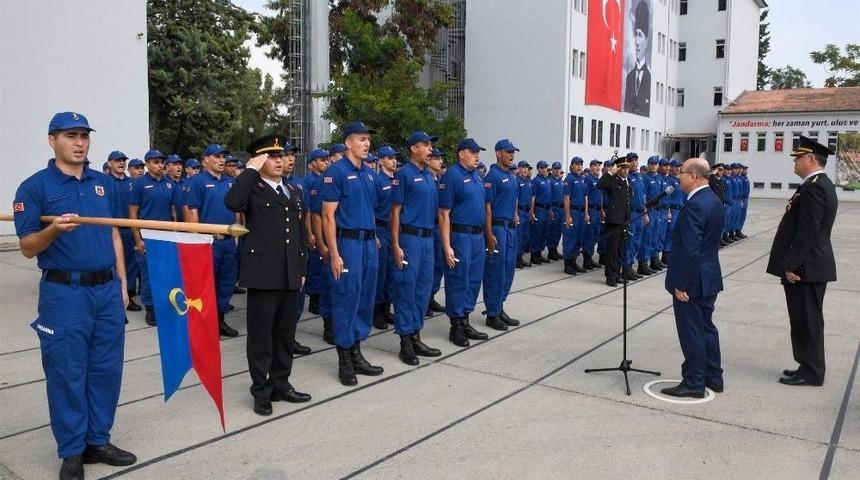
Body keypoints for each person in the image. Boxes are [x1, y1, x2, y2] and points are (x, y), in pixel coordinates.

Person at [13, 112, 136, 479]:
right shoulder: (35, 187)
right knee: (66, 373)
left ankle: (97, 440)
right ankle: (71, 450)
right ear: (53, 140)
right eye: (71, 135)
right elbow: (27, 247)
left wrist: (122, 283)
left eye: (84, 135)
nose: (80, 142)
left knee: (105, 370)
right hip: (65, 294)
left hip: (105, 291)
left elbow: (114, 234)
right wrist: (53, 231)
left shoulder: (102, 183)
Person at [224, 134, 312, 416]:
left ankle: (281, 383)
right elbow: (233, 202)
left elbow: (298, 236)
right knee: (261, 336)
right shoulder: (251, 189)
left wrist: (300, 270)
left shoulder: (293, 191)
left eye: (281, 156)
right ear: (259, 160)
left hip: (288, 274)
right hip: (262, 274)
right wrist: (249, 170)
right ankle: (260, 390)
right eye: (272, 156)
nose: (279, 160)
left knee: (285, 333)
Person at [767, 136, 838, 387]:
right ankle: (807, 365)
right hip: (809, 266)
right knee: (803, 320)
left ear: (810, 159)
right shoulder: (814, 184)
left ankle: (812, 372)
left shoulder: (816, 187)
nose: (794, 162)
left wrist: (792, 265)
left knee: (807, 321)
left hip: (806, 268)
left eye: (798, 158)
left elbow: (807, 231)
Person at [321, 121, 385, 386]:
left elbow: (370, 209)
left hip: (368, 244)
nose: (366, 144)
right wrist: (334, 253)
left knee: (365, 298)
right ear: (348, 142)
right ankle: (344, 357)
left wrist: (375, 237)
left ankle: (357, 350)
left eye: (368, 140)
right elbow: (327, 217)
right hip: (347, 245)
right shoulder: (335, 173)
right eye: (361, 139)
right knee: (346, 297)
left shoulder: (370, 174)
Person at [661, 158, 725, 398]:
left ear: (694, 176)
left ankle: (694, 382)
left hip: (693, 281)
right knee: (707, 328)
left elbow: (690, 248)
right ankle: (713, 376)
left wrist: (681, 284)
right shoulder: (713, 200)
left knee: (692, 332)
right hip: (708, 276)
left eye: (682, 172)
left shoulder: (697, 204)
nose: (678, 177)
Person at [390, 132, 443, 364]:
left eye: (430, 144)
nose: (430, 148)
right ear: (413, 148)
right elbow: (395, 213)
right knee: (406, 289)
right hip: (409, 239)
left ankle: (416, 335)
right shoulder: (403, 175)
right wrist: (395, 244)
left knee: (423, 289)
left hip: (427, 239)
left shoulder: (430, 177)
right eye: (425, 145)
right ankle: (405, 342)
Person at [438, 138, 490, 347]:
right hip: (460, 236)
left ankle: (465, 319)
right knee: (458, 279)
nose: (477, 155)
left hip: (477, 237)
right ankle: (456, 326)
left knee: (473, 279)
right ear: (461, 154)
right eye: (473, 152)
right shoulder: (452, 176)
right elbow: (443, 214)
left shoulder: (476, 176)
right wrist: (447, 245)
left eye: (479, 152)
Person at [185, 144, 240, 337]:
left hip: (228, 241)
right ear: (205, 160)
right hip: (209, 242)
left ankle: (219, 319)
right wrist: (195, 243)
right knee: (207, 285)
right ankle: (205, 324)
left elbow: (236, 212)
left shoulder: (230, 182)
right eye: (216, 156)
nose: (221, 160)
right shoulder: (197, 182)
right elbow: (193, 213)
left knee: (226, 283)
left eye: (223, 156)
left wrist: (236, 237)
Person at [129, 148, 178, 326]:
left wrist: (175, 234)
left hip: (166, 236)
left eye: (161, 162)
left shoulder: (169, 183)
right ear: (148, 164)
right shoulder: (139, 184)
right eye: (156, 162)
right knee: (148, 273)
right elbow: (133, 214)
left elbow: (173, 211)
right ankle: (150, 308)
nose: (160, 165)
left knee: (165, 271)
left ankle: (163, 304)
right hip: (147, 235)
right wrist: (137, 239)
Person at [482, 139, 521, 331]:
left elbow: (513, 200)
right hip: (497, 227)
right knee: (495, 271)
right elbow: (487, 208)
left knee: (508, 270)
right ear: (498, 153)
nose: (512, 155)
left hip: (510, 228)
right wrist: (488, 233)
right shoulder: (492, 177)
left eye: (513, 152)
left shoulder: (511, 176)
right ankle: (492, 313)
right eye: (508, 152)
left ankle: (500, 306)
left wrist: (514, 215)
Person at [105, 150, 141, 312]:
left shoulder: (132, 183)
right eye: (118, 161)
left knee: (131, 264)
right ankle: (113, 294)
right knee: (113, 263)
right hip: (112, 230)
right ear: (110, 163)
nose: (121, 163)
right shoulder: (105, 182)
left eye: (123, 161)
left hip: (129, 229)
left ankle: (128, 294)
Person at [372, 145, 398, 329]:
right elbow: (371, 209)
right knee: (380, 274)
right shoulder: (377, 181)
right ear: (381, 161)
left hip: (394, 231)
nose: (394, 161)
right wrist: (374, 235)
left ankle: (387, 307)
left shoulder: (398, 180)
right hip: (381, 229)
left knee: (391, 272)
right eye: (389, 158)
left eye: (395, 158)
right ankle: (376, 312)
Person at [598, 158, 631, 287]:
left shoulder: (627, 182)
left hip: (624, 220)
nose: (625, 170)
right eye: (623, 168)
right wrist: (611, 173)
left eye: (627, 168)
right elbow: (600, 185)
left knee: (620, 250)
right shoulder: (613, 180)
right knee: (612, 250)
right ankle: (610, 276)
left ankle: (617, 274)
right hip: (614, 221)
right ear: (618, 169)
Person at [427, 147, 447, 315]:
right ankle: (425, 299)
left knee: (439, 263)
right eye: (437, 158)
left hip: (438, 226)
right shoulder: (426, 178)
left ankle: (431, 296)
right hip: (428, 226)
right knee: (428, 265)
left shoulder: (438, 180)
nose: (441, 161)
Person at [624, 152, 650, 280]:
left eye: (635, 160)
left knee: (637, 241)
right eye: (631, 160)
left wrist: (645, 213)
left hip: (640, 212)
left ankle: (630, 266)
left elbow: (644, 196)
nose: (634, 163)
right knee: (630, 241)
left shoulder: (639, 176)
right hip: (632, 213)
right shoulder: (626, 177)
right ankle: (626, 268)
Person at [624, 0, 651, 117]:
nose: (636, 42)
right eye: (635, 35)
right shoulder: (629, 77)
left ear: (646, 40)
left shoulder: (649, 78)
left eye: (640, 35)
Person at [562, 157, 588, 275]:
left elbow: (585, 197)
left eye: (581, 165)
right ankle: (568, 264)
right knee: (570, 238)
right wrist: (568, 216)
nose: (579, 167)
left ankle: (573, 261)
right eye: (577, 164)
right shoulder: (569, 179)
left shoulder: (582, 179)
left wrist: (586, 213)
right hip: (573, 212)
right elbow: (566, 198)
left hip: (581, 213)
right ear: (572, 166)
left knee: (579, 238)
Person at [581, 159, 604, 270]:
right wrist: (586, 213)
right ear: (590, 167)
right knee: (588, 236)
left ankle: (590, 257)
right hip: (590, 210)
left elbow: (600, 196)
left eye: (599, 166)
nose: (597, 167)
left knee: (595, 235)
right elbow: (585, 197)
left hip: (597, 211)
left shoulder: (598, 180)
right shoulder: (588, 180)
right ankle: (587, 260)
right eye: (595, 166)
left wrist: (601, 210)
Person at [529, 160, 553, 264]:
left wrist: (551, 210)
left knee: (545, 232)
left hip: (547, 209)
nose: (544, 169)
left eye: (545, 167)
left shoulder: (548, 180)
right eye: (542, 168)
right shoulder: (536, 181)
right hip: (539, 210)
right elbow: (533, 197)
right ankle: (534, 256)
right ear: (538, 169)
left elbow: (549, 197)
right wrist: (532, 211)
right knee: (537, 233)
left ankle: (539, 253)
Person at [515, 161, 533, 268]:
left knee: (525, 236)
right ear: (519, 169)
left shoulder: (528, 182)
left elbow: (531, 198)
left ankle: (520, 256)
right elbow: (515, 198)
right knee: (519, 236)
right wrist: (516, 214)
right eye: (524, 167)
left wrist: (531, 211)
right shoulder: (517, 181)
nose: (526, 170)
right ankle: (516, 258)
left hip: (527, 212)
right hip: (520, 211)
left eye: (527, 168)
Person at [547, 161, 565, 261]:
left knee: (558, 231)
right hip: (554, 208)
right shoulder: (550, 181)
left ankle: (555, 250)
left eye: (559, 169)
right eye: (556, 169)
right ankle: (551, 251)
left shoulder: (561, 182)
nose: (558, 171)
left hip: (561, 209)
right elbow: (548, 197)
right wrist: (550, 210)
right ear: (552, 170)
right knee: (552, 231)